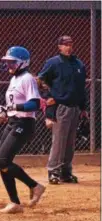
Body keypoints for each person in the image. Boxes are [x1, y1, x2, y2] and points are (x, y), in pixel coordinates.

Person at [0, 46, 45, 214]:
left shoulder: (27, 78)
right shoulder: (14, 79)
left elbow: (35, 104)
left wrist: (15, 106)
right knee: (1, 163)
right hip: (13, 121)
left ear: (23, 62)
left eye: (12, 62)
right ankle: (15, 202)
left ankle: (34, 186)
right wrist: (6, 110)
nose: (9, 65)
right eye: (7, 62)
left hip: (24, 123)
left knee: (3, 162)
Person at [38, 35, 87, 184]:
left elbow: (81, 88)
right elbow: (40, 80)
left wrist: (83, 108)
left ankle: (66, 172)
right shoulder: (53, 62)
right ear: (59, 46)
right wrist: (49, 95)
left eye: (70, 44)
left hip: (75, 107)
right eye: (65, 44)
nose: (68, 47)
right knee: (59, 140)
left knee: (70, 142)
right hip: (61, 107)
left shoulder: (78, 64)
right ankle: (53, 171)